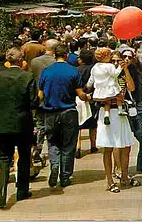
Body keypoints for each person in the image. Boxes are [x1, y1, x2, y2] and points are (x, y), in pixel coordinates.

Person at [0, 47, 38, 208]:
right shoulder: (27, 76)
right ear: (22, 60)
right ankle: (22, 189)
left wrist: (2, 109)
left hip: (3, 121)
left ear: (8, 60)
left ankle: (2, 190)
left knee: (4, 157)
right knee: (23, 155)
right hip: (23, 122)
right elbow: (34, 101)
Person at [39, 44, 92, 188]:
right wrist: (88, 97)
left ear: (54, 55)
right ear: (67, 56)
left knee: (53, 141)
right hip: (69, 111)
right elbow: (80, 95)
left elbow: (40, 95)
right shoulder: (73, 71)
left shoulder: (46, 71)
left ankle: (54, 165)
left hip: (50, 112)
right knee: (68, 145)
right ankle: (65, 176)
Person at [95, 51, 136, 193]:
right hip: (107, 112)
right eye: (114, 60)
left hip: (121, 113)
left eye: (119, 60)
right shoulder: (103, 73)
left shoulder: (122, 72)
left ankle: (124, 176)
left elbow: (131, 88)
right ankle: (110, 180)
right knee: (108, 148)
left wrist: (125, 69)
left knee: (125, 146)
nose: (116, 62)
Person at [30, 39, 59, 164]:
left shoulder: (34, 62)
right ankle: (54, 157)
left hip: (39, 98)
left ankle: (37, 150)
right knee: (54, 129)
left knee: (40, 126)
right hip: (55, 100)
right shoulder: (56, 63)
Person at [87, 47, 126, 125]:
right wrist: (120, 67)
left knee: (106, 102)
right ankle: (120, 110)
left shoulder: (95, 67)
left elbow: (91, 79)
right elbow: (115, 74)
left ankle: (106, 115)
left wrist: (88, 86)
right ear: (106, 56)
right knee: (119, 97)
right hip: (111, 88)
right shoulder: (109, 66)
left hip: (100, 90)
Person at [75, 50, 98, 159]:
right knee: (93, 123)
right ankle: (93, 145)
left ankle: (78, 147)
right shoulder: (94, 69)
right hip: (92, 97)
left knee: (78, 124)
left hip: (79, 97)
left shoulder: (76, 70)